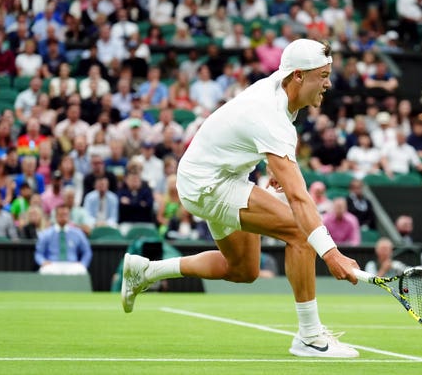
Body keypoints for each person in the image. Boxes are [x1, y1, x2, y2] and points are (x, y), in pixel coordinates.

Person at [120, 39, 360, 358]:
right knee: (301, 233)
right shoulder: (271, 114)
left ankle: (146, 271)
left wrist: (271, 162)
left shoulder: (282, 88)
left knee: (243, 270)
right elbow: (300, 199)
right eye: (323, 75)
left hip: (211, 173)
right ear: (299, 75)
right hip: (209, 182)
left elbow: (256, 136)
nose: (329, 83)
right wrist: (331, 254)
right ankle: (310, 337)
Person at [34, 204, 92, 275]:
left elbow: (87, 251)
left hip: (72, 264)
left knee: (81, 270)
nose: (63, 217)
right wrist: (42, 262)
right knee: (45, 271)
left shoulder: (78, 233)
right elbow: (38, 253)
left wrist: (83, 263)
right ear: (56, 216)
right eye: (61, 215)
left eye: (65, 215)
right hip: (53, 264)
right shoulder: (46, 234)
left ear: (69, 216)